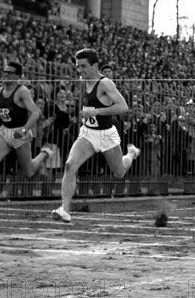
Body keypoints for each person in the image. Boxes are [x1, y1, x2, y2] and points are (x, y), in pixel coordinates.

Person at [51, 49, 141, 222]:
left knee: (119, 172)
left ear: (94, 65)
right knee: (70, 165)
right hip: (87, 133)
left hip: (106, 134)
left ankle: (131, 153)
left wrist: (96, 111)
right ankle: (64, 209)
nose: (80, 70)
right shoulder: (83, 81)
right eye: (78, 66)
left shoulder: (105, 83)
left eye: (83, 66)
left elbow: (123, 107)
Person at [0, 62, 53, 210]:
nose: (6, 75)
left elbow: (36, 113)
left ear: (17, 76)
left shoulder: (22, 91)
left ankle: (44, 154)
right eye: (5, 72)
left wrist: (23, 131)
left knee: (28, 171)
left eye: (10, 73)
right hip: (5, 131)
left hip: (20, 133)